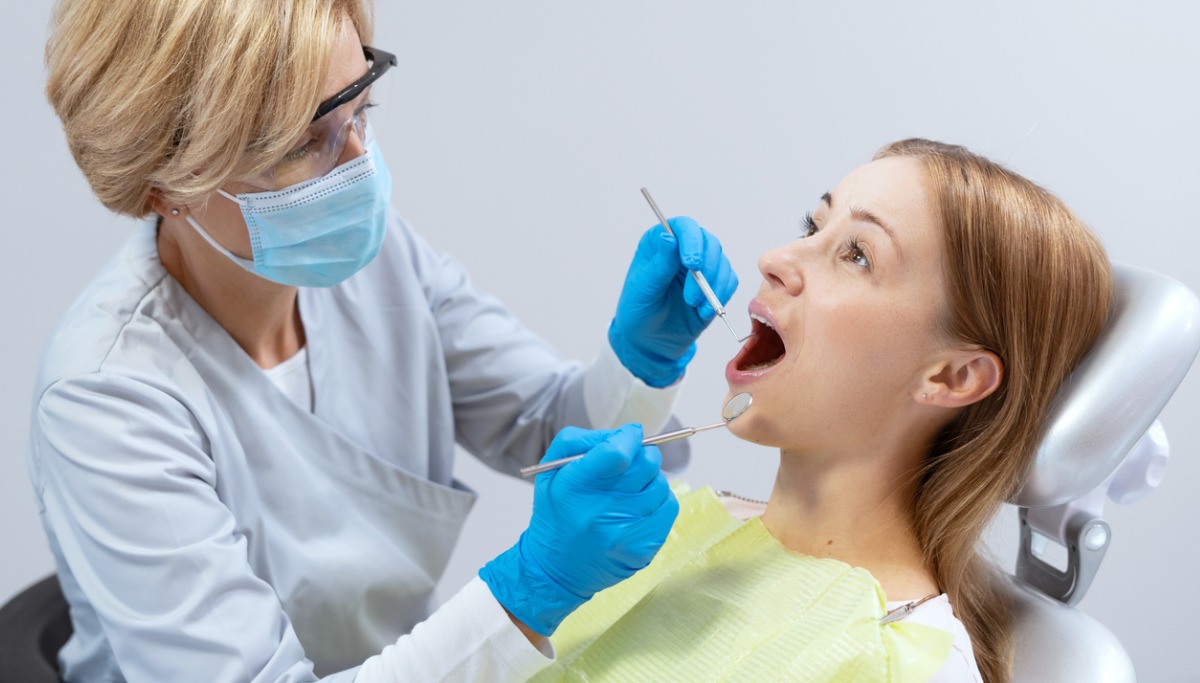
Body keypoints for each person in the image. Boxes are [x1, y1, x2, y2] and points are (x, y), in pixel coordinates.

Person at [30, 0, 738, 680]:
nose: (360, 164)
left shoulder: (374, 264)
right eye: (305, 143)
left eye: (359, 106)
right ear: (168, 184)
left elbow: (559, 435)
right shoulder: (105, 396)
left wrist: (640, 361)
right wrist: (530, 590)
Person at [532, 139, 1113, 683]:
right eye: (812, 225)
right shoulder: (661, 524)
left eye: (856, 255)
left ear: (952, 377)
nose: (775, 258)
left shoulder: (903, 663)